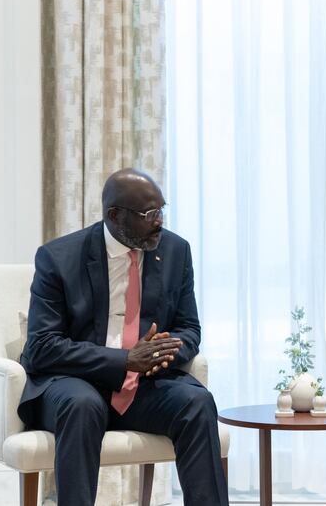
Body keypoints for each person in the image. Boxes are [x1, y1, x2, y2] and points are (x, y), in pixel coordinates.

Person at [18, 168, 228, 506]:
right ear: (115, 216)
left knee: (197, 402)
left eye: (161, 210)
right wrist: (125, 360)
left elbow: (190, 328)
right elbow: (41, 347)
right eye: (149, 214)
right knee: (81, 404)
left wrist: (164, 352)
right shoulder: (59, 258)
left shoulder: (175, 251)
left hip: (145, 386)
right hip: (76, 383)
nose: (159, 221)